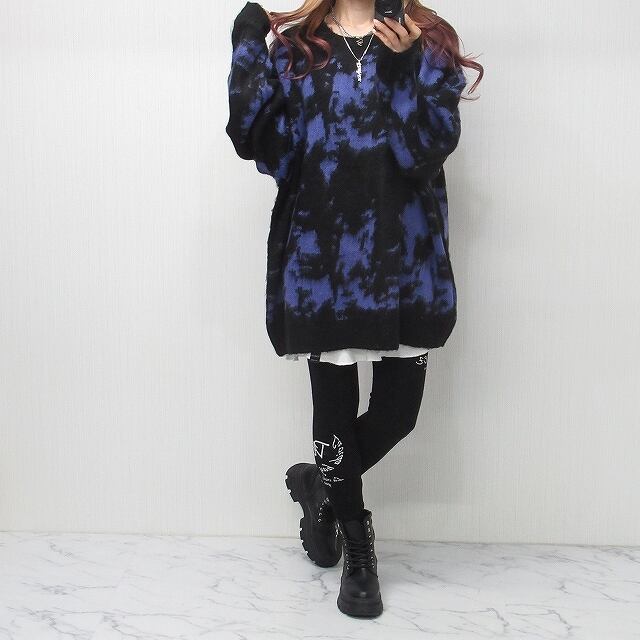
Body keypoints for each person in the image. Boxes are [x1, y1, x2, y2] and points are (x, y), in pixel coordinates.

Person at [226, 0, 481, 619]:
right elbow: (262, 146)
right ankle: (359, 550)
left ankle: (321, 484)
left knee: (398, 412)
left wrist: (406, 63)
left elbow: (426, 150)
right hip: (323, 255)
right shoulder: (298, 49)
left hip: (405, 255)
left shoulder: (428, 40)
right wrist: (248, 45)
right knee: (333, 410)